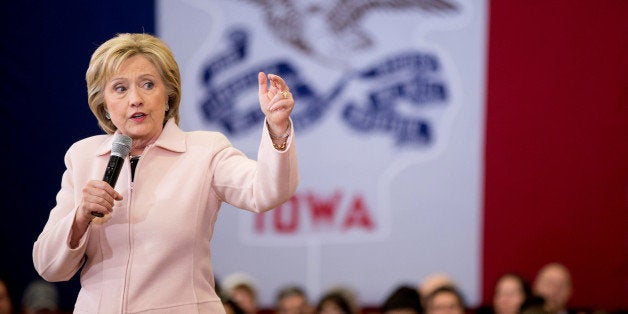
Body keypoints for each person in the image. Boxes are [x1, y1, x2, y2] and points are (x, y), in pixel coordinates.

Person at [32, 33, 299, 313]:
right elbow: (49, 267)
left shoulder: (205, 151)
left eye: (148, 84)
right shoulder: (83, 157)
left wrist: (277, 128)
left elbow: (267, 192)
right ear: (104, 104)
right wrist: (79, 217)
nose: (135, 99)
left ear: (168, 94)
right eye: (120, 88)